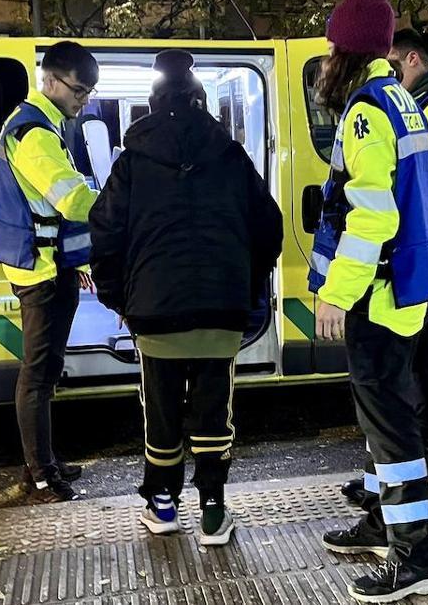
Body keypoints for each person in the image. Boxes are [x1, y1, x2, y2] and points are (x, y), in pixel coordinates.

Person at [89, 49, 282, 546]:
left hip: (154, 311)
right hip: (222, 311)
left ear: (153, 105)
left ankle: (163, 506)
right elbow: (269, 229)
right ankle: (214, 512)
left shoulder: (132, 162)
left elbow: (105, 233)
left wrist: (121, 299)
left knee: (162, 408)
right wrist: (246, 284)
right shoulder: (232, 155)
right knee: (214, 407)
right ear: (201, 102)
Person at [310, 0, 428, 603]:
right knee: (386, 419)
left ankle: (416, 559)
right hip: (405, 288)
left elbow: (371, 216)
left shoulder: (367, 114)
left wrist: (337, 292)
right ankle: (381, 524)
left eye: (330, 51)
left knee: (391, 428)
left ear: (344, 53)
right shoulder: (400, 99)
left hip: (377, 293)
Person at [340, 28, 428, 505]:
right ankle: (389, 482)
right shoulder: (417, 102)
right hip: (414, 255)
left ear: (414, 58)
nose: (395, 72)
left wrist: (400, 256)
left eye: (398, 63)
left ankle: (426, 455)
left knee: (412, 365)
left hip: (422, 256)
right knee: (400, 373)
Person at [0, 40, 100, 503]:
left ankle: (46, 462)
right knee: (36, 376)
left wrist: (81, 260)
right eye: (79, 90)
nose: (84, 100)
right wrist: (124, 207)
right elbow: (71, 200)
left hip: (55, 265)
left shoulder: (46, 125)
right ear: (51, 81)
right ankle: (38, 477)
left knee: (48, 371)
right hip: (40, 271)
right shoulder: (33, 132)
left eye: (90, 92)